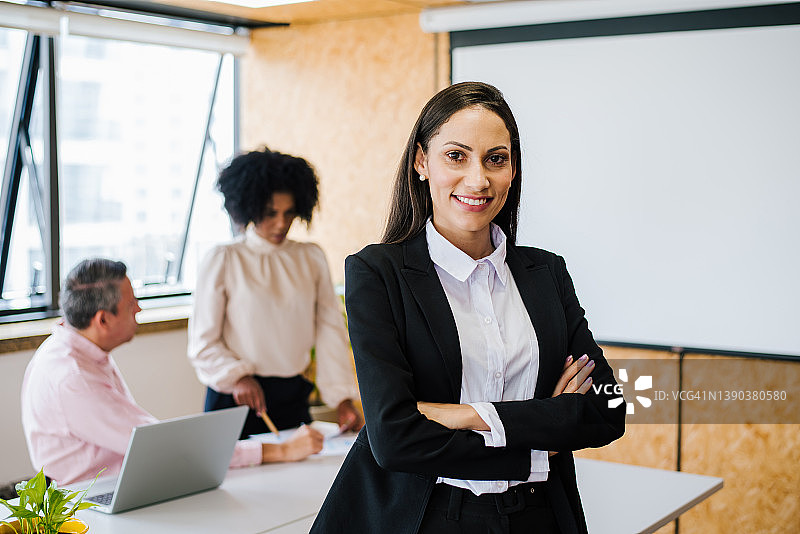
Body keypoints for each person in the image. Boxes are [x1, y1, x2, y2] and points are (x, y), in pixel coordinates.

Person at [311, 82, 626, 534]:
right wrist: (542, 437)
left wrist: (464, 414)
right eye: (456, 156)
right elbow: (393, 438)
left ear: (512, 169)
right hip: (428, 515)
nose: (478, 179)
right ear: (421, 161)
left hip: (541, 517)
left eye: (496, 159)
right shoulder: (378, 273)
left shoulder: (546, 273)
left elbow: (606, 409)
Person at [21, 258, 323, 485]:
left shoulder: (70, 349)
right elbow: (163, 446)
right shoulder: (73, 377)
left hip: (117, 483)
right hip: (93, 503)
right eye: (131, 304)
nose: (138, 309)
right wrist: (279, 452)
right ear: (103, 320)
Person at [188, 147, 362, 438]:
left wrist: (341, 399)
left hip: (292, 397)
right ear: (248, 208)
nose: (282, 223)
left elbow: (330, 330)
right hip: (237, 397)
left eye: (289, 213)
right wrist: (238, 377)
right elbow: (203, 343)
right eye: (270, 213)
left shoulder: (310, 257)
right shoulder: (224, 259)